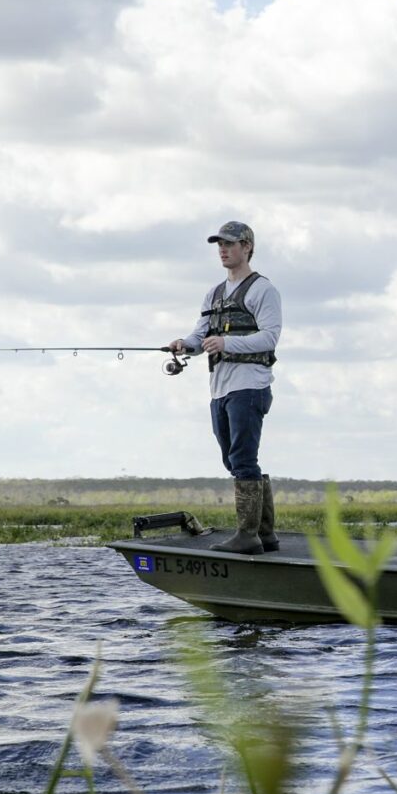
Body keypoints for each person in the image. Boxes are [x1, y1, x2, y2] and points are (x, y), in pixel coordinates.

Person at [168, 221, 283, 554]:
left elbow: (270, 336)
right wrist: (182, 345)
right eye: (219, 244)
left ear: (247, 246)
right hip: (219, 388)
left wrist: (226, 342)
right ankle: (266, 534)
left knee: (244, 460)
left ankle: (248, 537)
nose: (222, 249)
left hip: (250, 385)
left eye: (229, 244)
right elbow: (198, 336)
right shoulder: (213, 293)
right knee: (233, 461)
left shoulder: (263, 290)